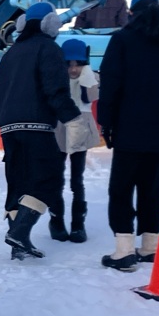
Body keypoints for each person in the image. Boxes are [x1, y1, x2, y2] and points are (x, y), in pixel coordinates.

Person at [96, 0, 159, 270]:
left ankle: (124, 249)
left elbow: (111, 85)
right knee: (154, 188)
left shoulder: (123, 40)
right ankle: (151, 246)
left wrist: (107, 122)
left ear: (132, 13)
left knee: (122, 188)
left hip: (129, 129)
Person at [0, 0, 79, 259]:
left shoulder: (10, 54)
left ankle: (19, 242)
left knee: (18, 181)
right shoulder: (49, 48)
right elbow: (55, 90)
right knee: (47, 180)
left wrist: (2, 119)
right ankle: (19, 233)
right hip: (37, 125)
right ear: (50, 24)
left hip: (9, 127)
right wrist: (73, 119)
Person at [53, 38, 101, 243]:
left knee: (76, 179)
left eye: (78, 64)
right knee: (56, 178)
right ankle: (56, 221)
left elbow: (89, 97)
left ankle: (78, 224)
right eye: (69, 64)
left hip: (81, 126)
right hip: (59, 126)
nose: (73, 69)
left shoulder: (91, 78)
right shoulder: (55, 78)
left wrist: (86, 76)